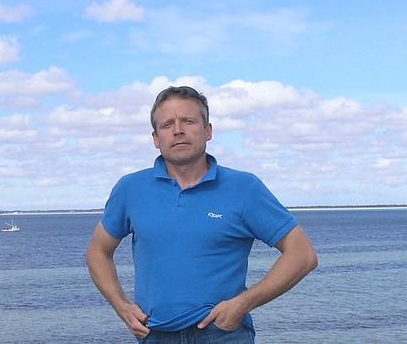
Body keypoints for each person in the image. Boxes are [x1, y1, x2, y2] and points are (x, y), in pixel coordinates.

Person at [86, 86, 318, 343]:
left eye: (188, 121)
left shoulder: (244, 188)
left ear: (208, 131)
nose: (178, 130)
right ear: (156, 138)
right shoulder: (130, 189)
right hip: (155, 335)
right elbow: (98, 251)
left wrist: (243, 303)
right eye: (167, 124)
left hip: (223, 334)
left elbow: (302, 255)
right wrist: (121, 306)